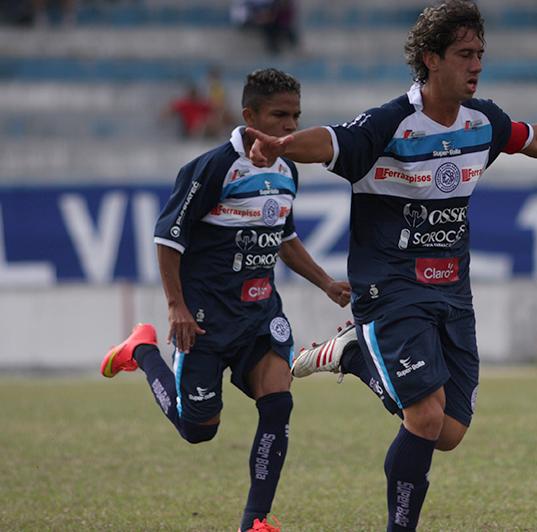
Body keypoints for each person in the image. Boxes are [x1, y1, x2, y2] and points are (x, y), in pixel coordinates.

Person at [247, 2, 537, 529]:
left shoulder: (482, 121)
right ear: (431, 59)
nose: (476, 65)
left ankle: (355, 354)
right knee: (425, 415)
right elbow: (332, 141)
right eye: (464, 54)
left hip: (452, 289)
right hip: (390, 288)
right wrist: (284, 145)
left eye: (480, 53)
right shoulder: (389, 123)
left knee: (449, 431)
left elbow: (534, 139)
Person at [100, 68, 351, 532]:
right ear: (249, 116)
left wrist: (326, 282)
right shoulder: (214, 167)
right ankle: (143, 349)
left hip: (259, 314)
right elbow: (168, 238)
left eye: (295, 116)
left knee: (278, 400)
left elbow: (284, 238)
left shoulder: (288, 170)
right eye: (279, 115)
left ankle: (255, 522)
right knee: (199, 430)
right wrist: (175, 306)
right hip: (204, 320)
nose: (289, 126)